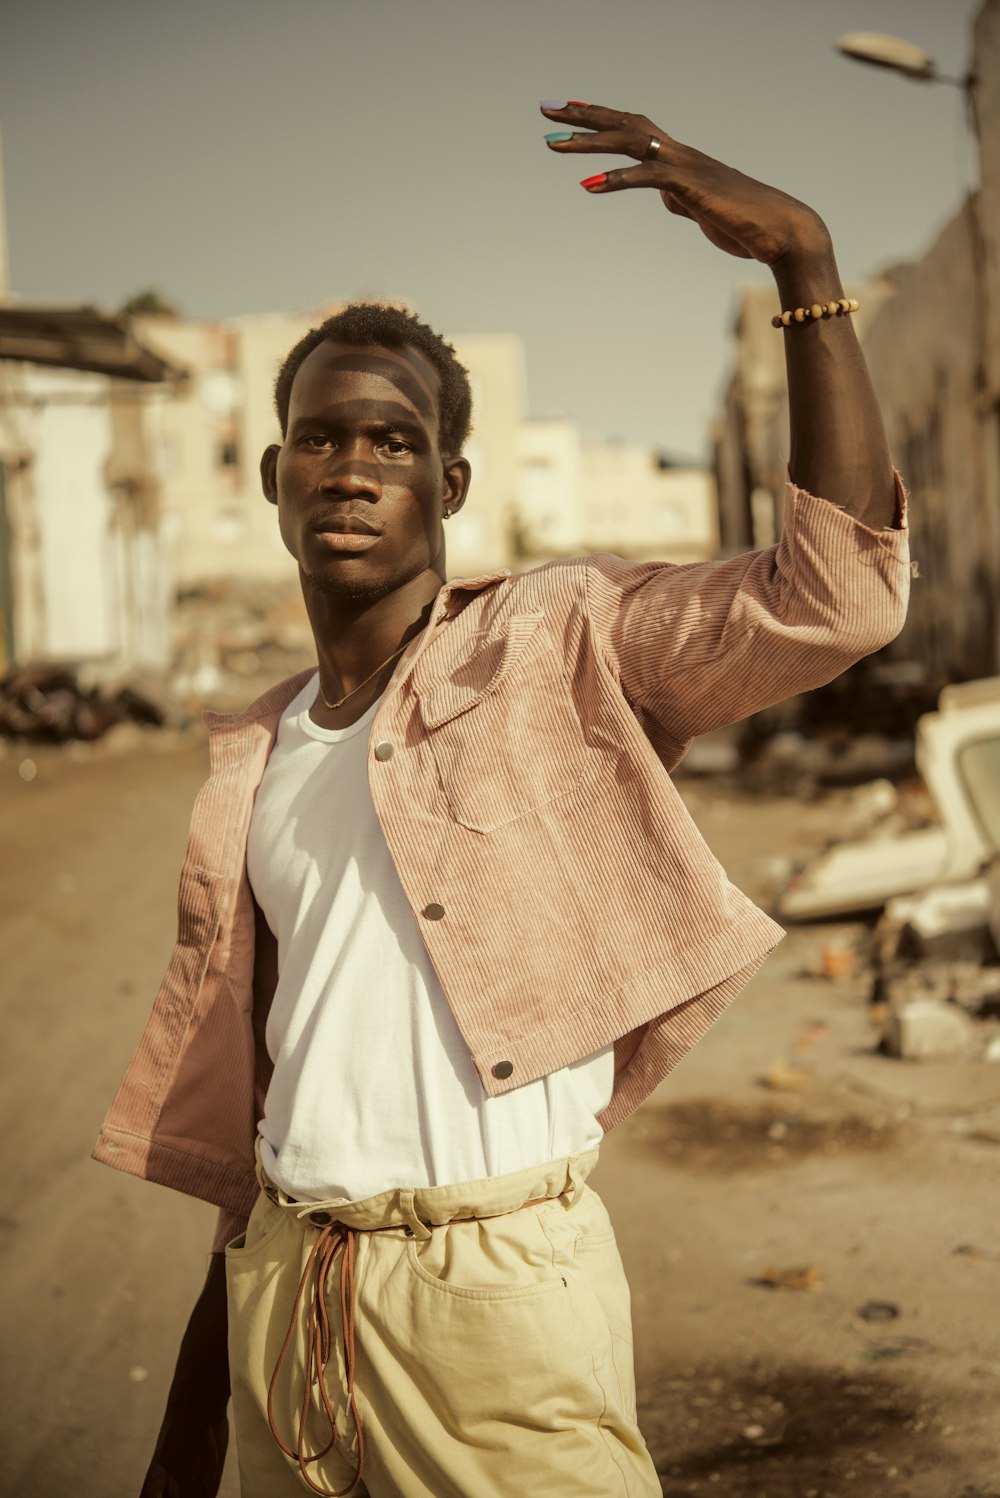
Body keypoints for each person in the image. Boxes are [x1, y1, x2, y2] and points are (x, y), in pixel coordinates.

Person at [96, 99, 910, 1498]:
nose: (351, 463)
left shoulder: (556, 638)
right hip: (287, 1301)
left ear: (451, 484)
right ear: (277, 478)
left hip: (492, 1302)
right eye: (320, 439)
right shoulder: (259, 754)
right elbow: (277, 1097)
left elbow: (837, 600)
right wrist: (198, 1399)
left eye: (392, 441)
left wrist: (804, 269)